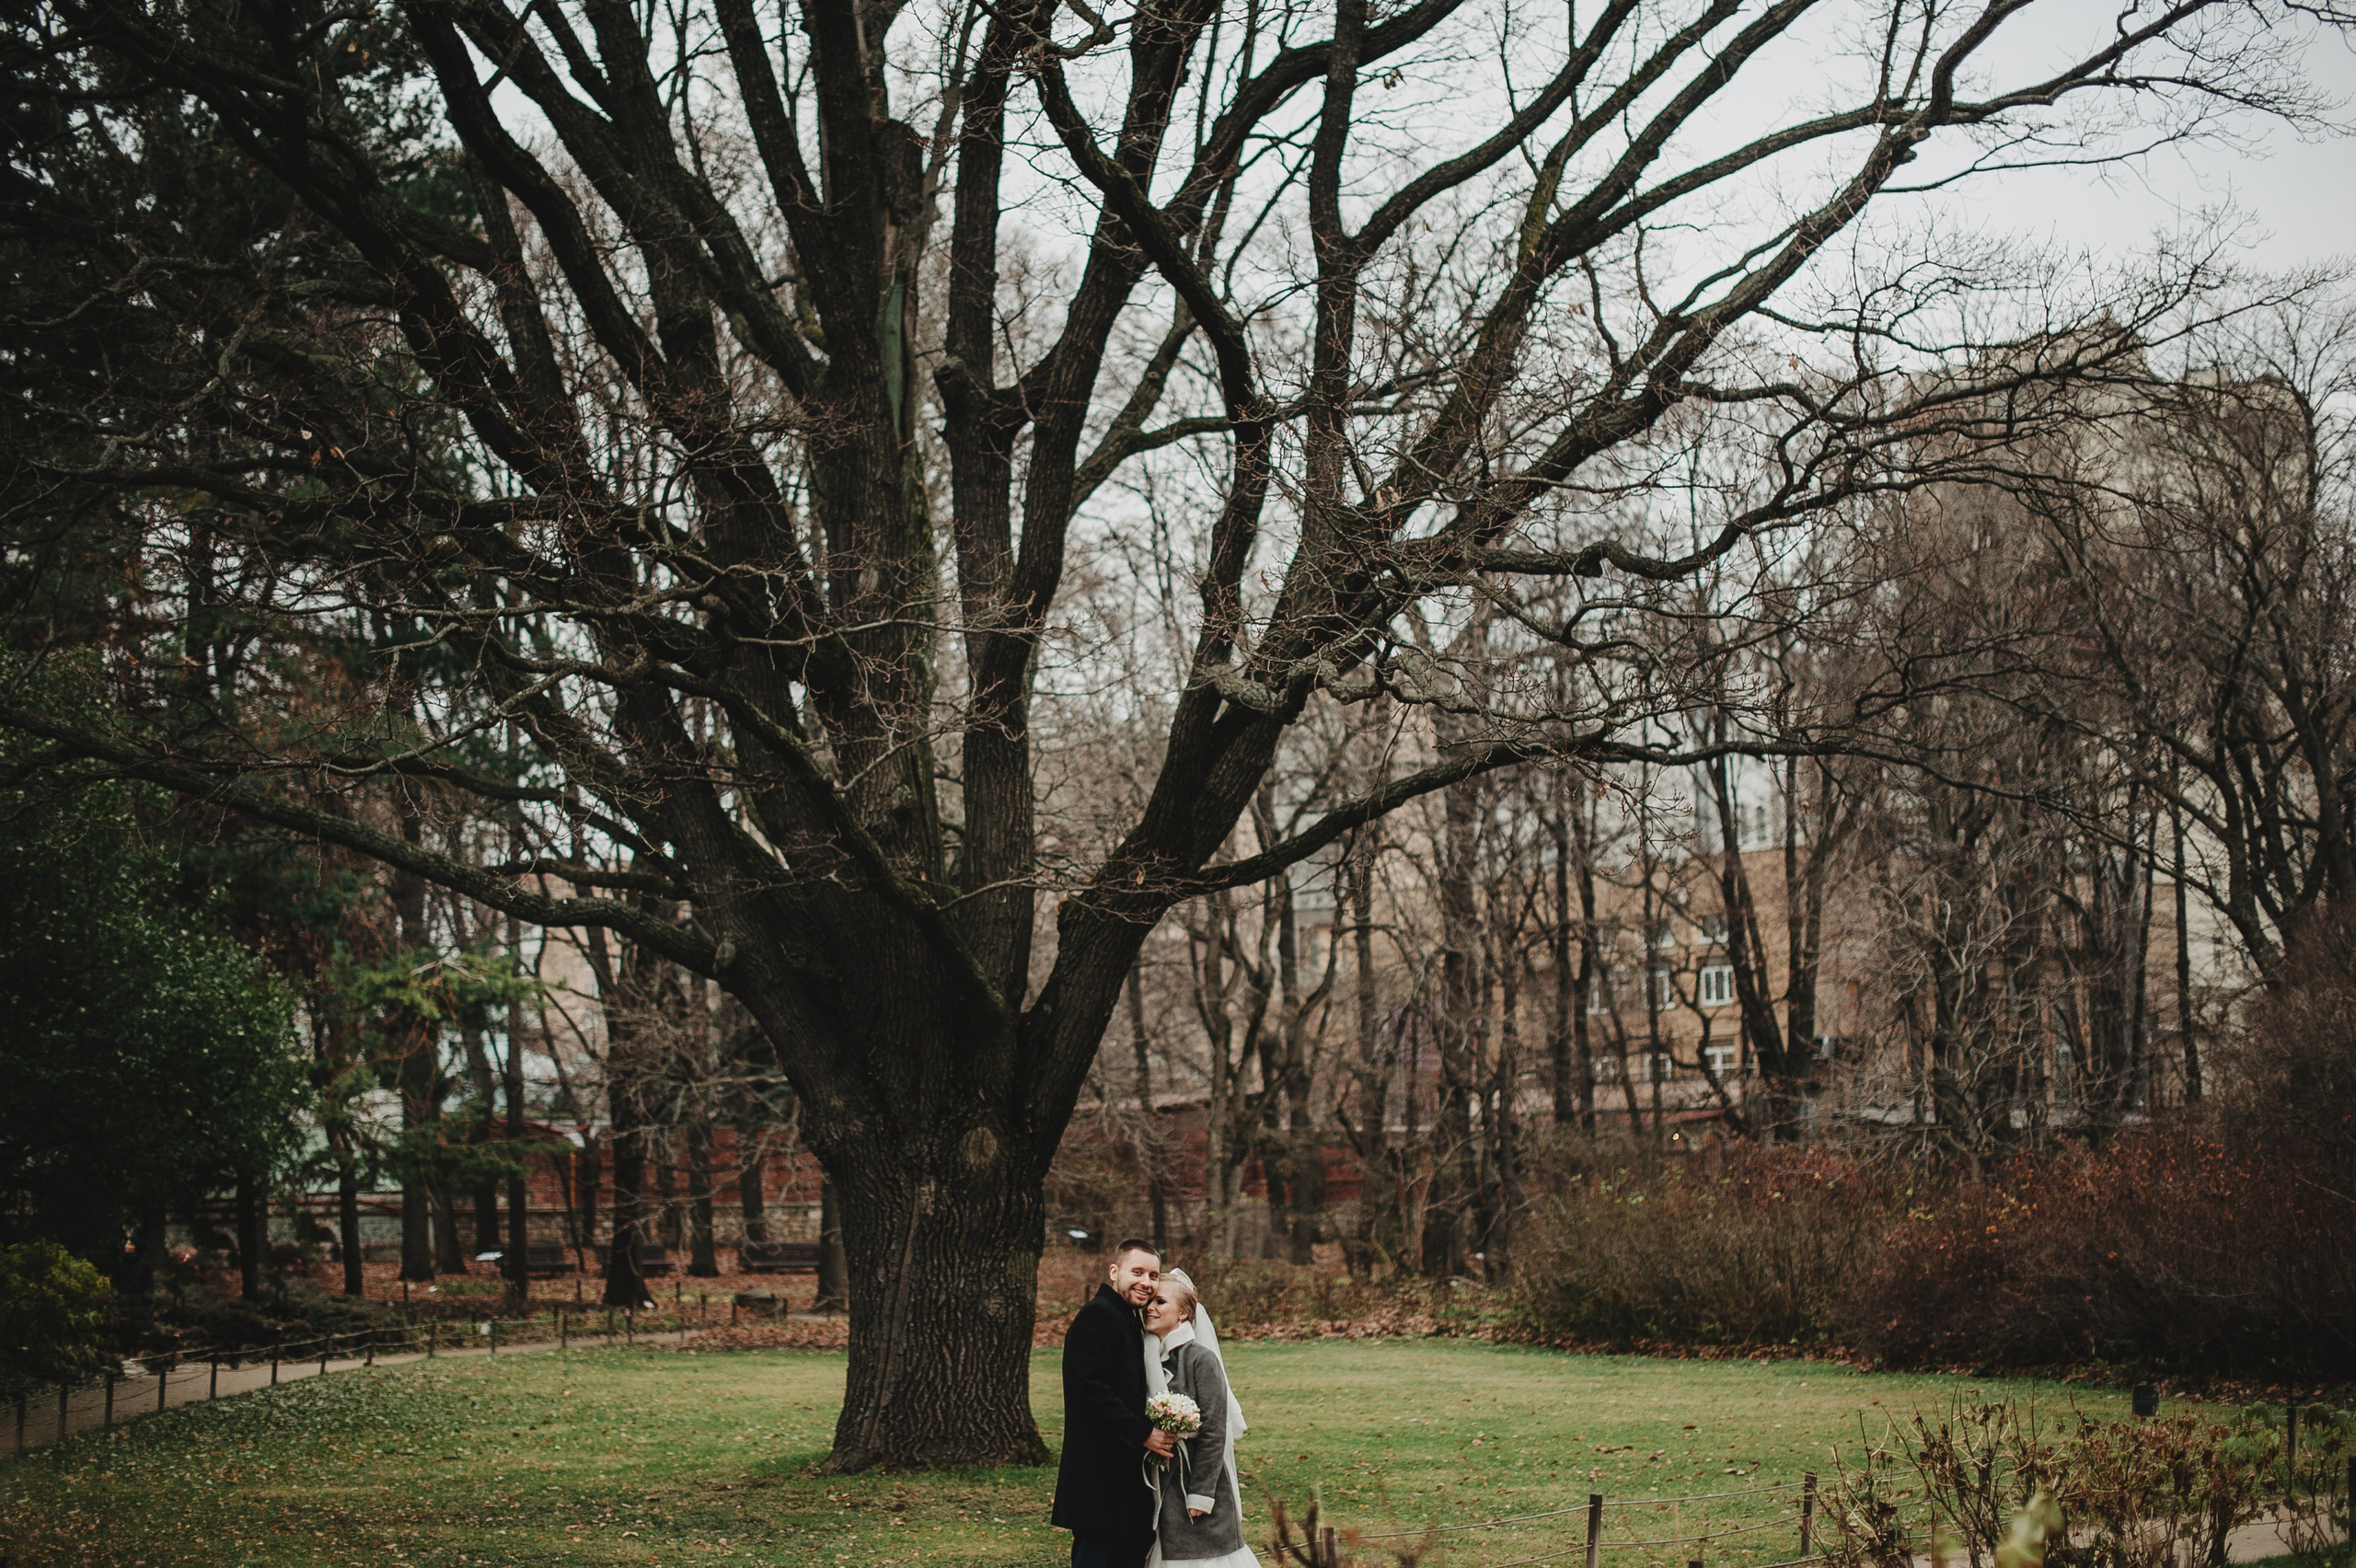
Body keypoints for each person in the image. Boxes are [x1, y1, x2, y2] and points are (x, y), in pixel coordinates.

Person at [1053, 1239, 1179, 1568]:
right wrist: (1144, 1433)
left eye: (1153, 1275)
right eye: (1137, 1272)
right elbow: (1090, 1390)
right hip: (1098, 1482)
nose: (1146, 1282)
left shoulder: (1128, 1317)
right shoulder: (1098, 1316)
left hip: (1124, 1484)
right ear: (1114, 1272)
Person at [1142, 1269, 1262, 1568]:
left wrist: (1201, 1493)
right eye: (1149, 1302)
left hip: (1196, 1485)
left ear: (1183, 1313)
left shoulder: (1200, 1360)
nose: (1151, 1308)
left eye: (1160, 1302)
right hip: (1161, 1484)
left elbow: (1214, 1431)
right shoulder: (1147, 1358)